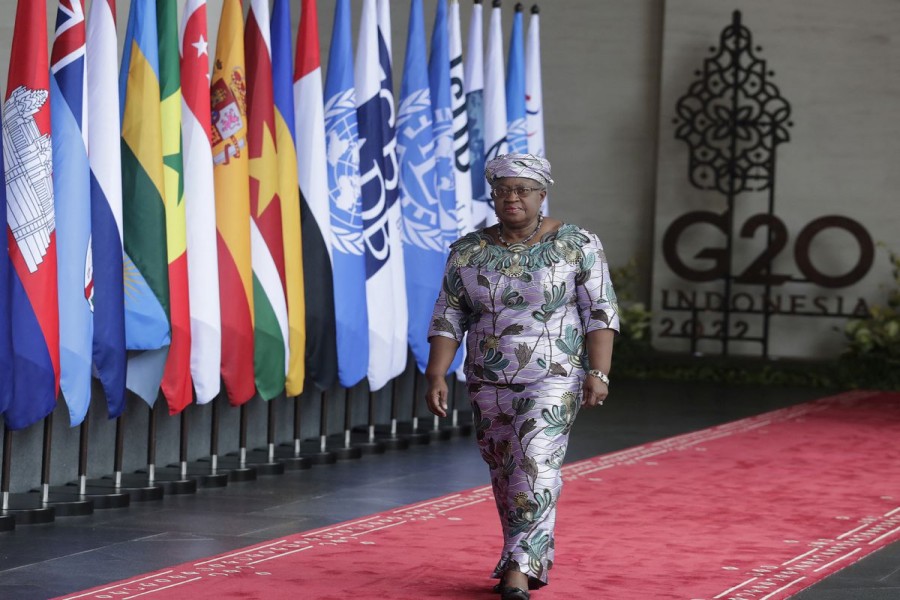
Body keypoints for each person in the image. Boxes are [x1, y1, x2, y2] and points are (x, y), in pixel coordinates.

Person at [424, 153, 620, 600]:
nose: (512, 197)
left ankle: (518, 568)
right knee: (505, 469)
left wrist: (598, 371)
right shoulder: (468, 250)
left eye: (523, 190)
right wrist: (437, 373)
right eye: (503, 190)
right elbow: (450, 315)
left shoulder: (577, 243)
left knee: (536, 465)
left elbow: (600, 310)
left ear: (541, 194)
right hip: (487, 380)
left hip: (553, 375)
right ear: (493, 194)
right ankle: (525, 555)